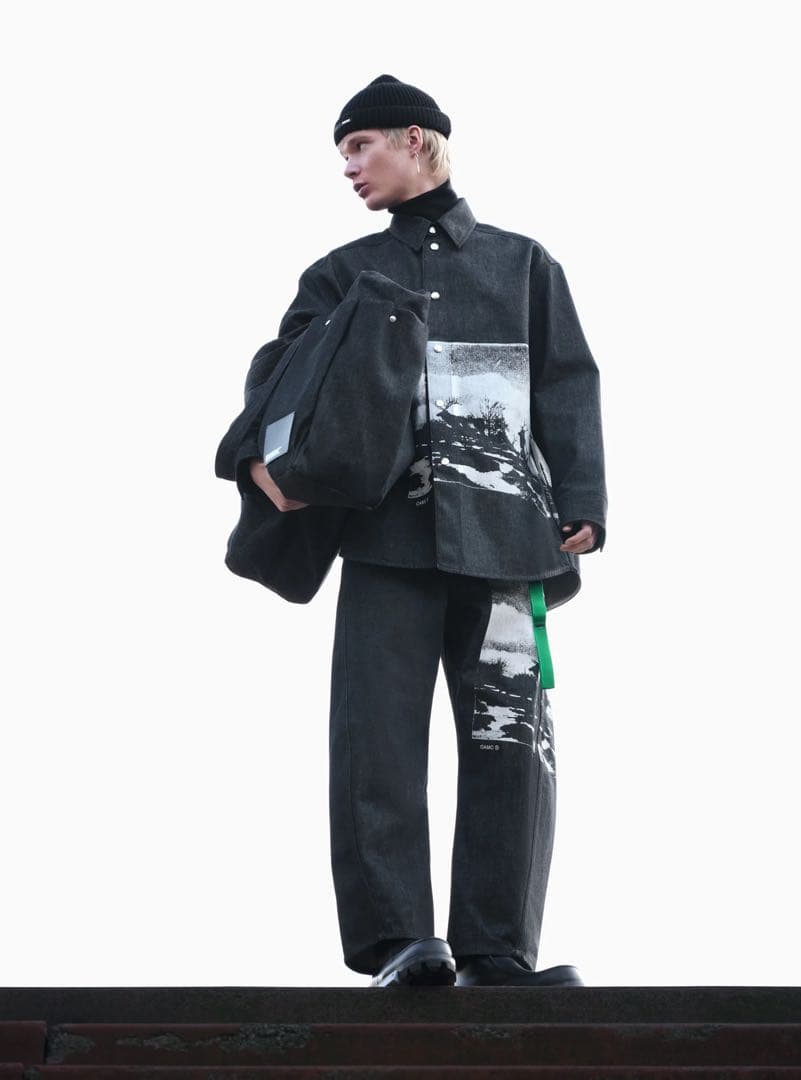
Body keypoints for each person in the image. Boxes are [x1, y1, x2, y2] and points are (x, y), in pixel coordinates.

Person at [232, 75, 607, 987]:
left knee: (510, 742)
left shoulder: (523, 264)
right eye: (343, 154)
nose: (348, 168)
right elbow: (277, 381)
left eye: (359, 147)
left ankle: (496, 953)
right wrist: (257, 462)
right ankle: (400, 942)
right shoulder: (342, 273)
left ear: (415, 138)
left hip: (509, 543)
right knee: (377, 744)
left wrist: (584, 498)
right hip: (383, 541)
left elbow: (567, 380)